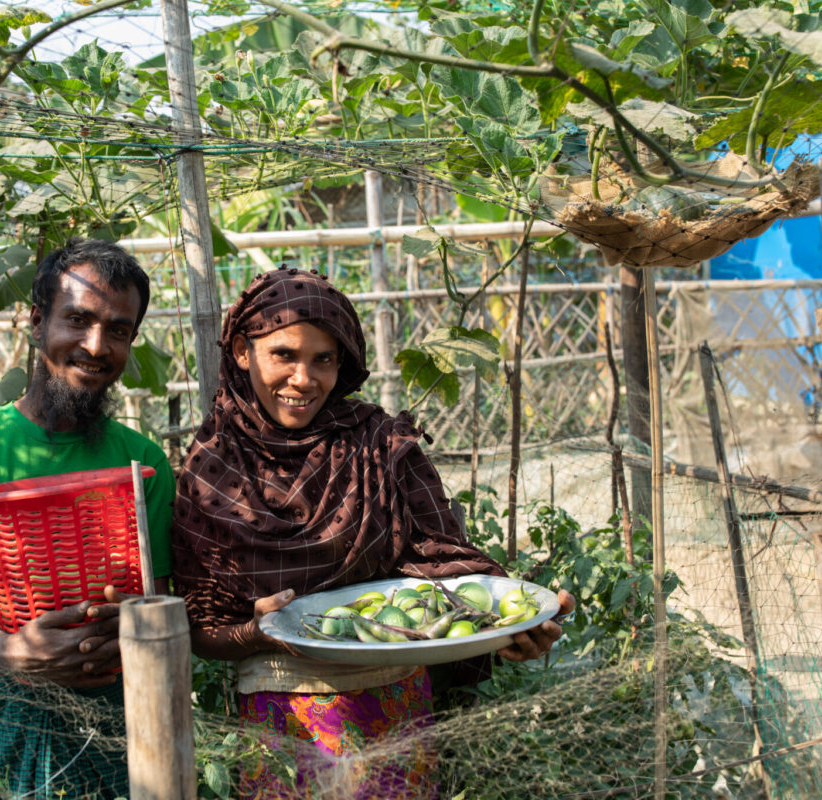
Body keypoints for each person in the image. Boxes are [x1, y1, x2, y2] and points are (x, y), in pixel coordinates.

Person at [172, 267, 574, 799]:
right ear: (243, 353)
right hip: (280, 723)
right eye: (284, 355)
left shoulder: (377, 444)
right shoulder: (212, 471)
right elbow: (200, 626)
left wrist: (509, 625)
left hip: (393, 708)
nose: (304, 379)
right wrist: (256, 631)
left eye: (324, 359)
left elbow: (444, 559)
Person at [0, 238, 174, 800]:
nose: (96, 345)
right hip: (11, 726)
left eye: (119, 330)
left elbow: (161, 597)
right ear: (36, 320)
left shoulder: (142, 464)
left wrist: (133, 628)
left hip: (132, 728)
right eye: (77, 319)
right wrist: (7, 651)